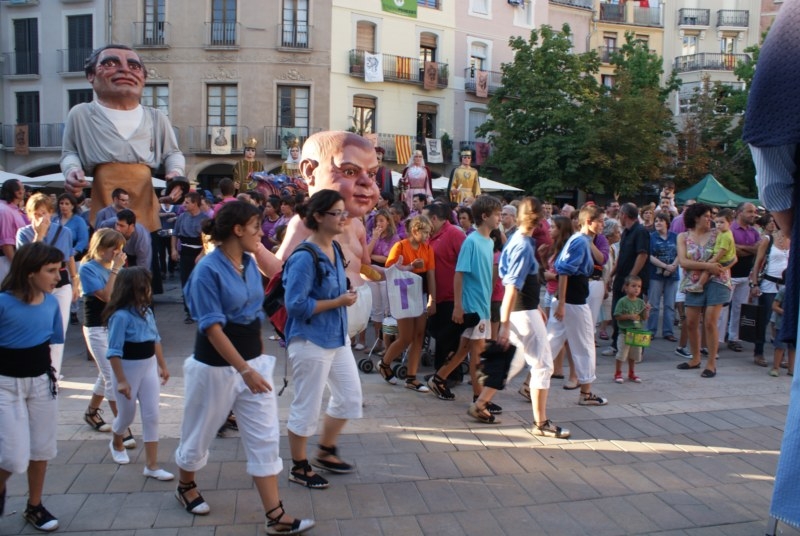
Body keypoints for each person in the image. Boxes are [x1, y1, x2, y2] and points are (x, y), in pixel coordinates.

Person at [175, 201, 314, 534]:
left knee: (265, 436)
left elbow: (257, 308)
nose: (261, 231)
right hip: (214, 366)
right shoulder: (207, 270)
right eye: (255, 226)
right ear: (237, 230)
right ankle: (185, 485)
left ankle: (276, 515)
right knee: (199, 433)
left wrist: (255, 362)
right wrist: (244, 370)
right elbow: (212, 327)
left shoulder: (250, 263)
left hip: (253, 364)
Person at [254, 131, 381, 345]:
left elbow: (364, 266)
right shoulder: (305, 225)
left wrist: (393, 272)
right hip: (322, 323)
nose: (367, 183)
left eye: (373, 174)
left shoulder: (358, 225)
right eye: (350, 171)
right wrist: (256, 248)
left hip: (347, 319)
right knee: (322, 374)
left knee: (338, 376)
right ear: (309, 171)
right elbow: (281, 272)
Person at [282, 190, 362, 490]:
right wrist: (339, 302)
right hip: (310, 340)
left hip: (336, 337)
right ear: (318, 216)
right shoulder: (304, 257)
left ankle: (325, 450)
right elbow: (296, 306)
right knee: (307, 405)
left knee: (350, 398)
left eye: (344, 212)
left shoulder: (335, 250)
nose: (344, 218)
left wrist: (347, 295)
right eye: (337, 213)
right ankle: (299, 466)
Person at [62, 44, 184, 234]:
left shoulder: (156, 117)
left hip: (145, 198)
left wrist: (176, 174)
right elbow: (70, 152)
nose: (125, 70)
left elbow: (172, 153)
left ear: (143, 78)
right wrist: (72, 170)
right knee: (107, 250)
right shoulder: (81, 114)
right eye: (111, 63)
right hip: (104, 196)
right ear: (91, 75)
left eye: (134, 66)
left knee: (143, 252)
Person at [491, 197, 570, 438]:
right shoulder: (523, 244)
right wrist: (504, 325)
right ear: (537, 218)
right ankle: (541, 422)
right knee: (542, 364)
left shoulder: (518, 239)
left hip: (524, 308)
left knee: (514, 362)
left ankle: (482, 402)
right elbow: (512, 286)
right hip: (521, 310)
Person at [0, 242, 64, 531]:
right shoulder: (3, 302)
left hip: (41, 383)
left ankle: (34, 505)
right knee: (12, 456)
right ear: (29, 272)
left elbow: (52, 343)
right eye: (50, 271)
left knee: (42, 448)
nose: (57, 277)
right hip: (5, 386)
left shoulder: (51, 303)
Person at [426, 196, 501, 412]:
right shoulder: (471, 241)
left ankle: (439, 378)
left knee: (465, 348)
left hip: (482, 305)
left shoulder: (488, 241)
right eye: (496, 214)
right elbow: (459, 274)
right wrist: (459, 306)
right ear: (485, 216)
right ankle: (480, 398)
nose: (499, 218)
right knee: (477, 351)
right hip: (473, 306)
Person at [103, 266, 172, 480]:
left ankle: (151, 465)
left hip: (148, 365)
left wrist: (162, 365)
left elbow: (156, 339)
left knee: (152, 415)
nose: (148, 290)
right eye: (144, 286)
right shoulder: (120, 316)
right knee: (126, 415)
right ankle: (117, 439)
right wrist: (121, 380)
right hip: (128, 368)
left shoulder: (146, 311)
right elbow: (113, 351)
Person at [79, 229, 136, 445]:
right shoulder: (88, 268)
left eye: (121, 248)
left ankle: (92, 412)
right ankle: (122, 427)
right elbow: (106, 295)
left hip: (113, 326)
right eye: (116, 248)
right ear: (101, 248)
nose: (119, 253)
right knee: (112, 376)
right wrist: (115, 271)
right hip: (96, 328)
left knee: (105, 374)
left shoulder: (115, 267)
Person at [548, 204, 608, 406]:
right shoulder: (581, 241)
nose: (603, 225)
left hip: (569, 299)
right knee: (585, 345)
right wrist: (563, 303)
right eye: (600, 221)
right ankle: (586, 392)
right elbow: (564, 271)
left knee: (552, 341)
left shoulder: (579, 240)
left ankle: (530, 383)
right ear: (589, 222)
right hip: (574, 300)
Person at [16, 193, 79, 377]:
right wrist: (39, 235)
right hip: (35, 288)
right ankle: (38, 369)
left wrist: (75, 281)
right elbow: (27, 262)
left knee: (58, 331)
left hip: (60, 284)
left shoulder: (64, 232)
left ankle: (53, 374)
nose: (40, 218)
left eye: (44, 213)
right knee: (37, 329)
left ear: (51, 213)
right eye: (36, 214)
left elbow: (69, 258)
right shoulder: (24, 233)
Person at [378, 215, 436, 392]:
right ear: (415, 230)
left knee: (419, 335)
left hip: (420, 291)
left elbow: (431, 275)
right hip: (403, 293)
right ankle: (385, 363)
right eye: (425, 232)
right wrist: (410, 266)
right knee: (405, 337)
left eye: (429, 232)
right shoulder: (400, 246)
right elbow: (389, 271)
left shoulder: (428, 248)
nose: (428, 236)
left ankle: (411, 377)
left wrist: (432, 299)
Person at [675, 203, 732, 378]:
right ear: (695, 217)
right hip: (693, 282)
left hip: (717, 280)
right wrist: (708, 266)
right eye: (706, 216)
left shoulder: (719, 233)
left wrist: (720, 267)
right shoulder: (683, 236)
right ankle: (695, 358)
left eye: (711, 216)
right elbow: (683, 262)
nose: (710, 219)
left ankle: (711, 364)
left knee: (709, 321)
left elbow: (733, 255)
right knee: (691, 321)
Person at [605, 203, 650, 358]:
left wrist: (631, 278)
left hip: (632, 281)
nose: (619, 218)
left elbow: (642, 255)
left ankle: (636, 348)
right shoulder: (625, 233)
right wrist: (611, 274)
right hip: (621, 278)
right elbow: (621, 256)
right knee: (618, 312)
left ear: (624, 215)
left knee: (632, 313)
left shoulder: (640, 231)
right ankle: (617, 344)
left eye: (620, 215)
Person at [720, 202, 762, 352]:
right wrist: (748, 249)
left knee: (739, 308)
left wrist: (740, 248)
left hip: (745, 275)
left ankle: (733, 338)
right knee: (723, 308)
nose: (753, 214)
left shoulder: (754, 231)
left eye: (754, 211)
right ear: (739, 212)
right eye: (750, 211)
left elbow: (758, 249)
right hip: (729, 274)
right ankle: (717, 339)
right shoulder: (729, 229)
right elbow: (730, 251)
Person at [751, 227, 790, 367]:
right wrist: (754, 284)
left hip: (787, 286)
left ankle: (782, 355)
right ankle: (758, 352)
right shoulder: (769, 239)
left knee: (784, 320)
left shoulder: (793, 238)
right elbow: (757, 263)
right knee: (764, 319)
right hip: (769, 284)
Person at [366, 208, 399, 354]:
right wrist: (374, 238)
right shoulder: (372, 236)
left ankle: (388, 344)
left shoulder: (394, 238)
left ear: (388, 222)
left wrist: (372, 256)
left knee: (388, 310)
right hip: (371, 276)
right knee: (376, 310)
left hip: (386, 277)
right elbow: (366, 255)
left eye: (381, 221)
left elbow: (388, 260)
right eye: (376, 221)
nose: (378, 223)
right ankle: (377, 342)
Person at [170, 192, 207, 324]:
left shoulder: (204, 219)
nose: (184, 205)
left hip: (198, 253)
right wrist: (174, 250)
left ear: (195, 203)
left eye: (187, 202)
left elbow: (208, 239)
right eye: (184, 202)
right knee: (186, 282)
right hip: (185, 252)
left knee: (199, 282)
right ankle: (189, 311)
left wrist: (202, 254)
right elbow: (175, 234)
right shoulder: (181, 217)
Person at [685, 208, 735, 292]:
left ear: (729, 223)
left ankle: (699, 285)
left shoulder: (725, 235)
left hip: (723, 259)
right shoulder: (722, 233)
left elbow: (723, 250)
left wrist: (712, 260)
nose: (718, 225)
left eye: (722, 222)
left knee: (707, 270)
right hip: (721, 258)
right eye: (717, 222)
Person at [647, 213, 679, 341]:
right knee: (653, 304)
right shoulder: (651, 237)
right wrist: (665, 266)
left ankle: (668, 331)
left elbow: (681, 253)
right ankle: (651, 331)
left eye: (661, 221)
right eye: (656, 221)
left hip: (673, 274)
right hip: (656, 274)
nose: (658, 223)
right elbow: (649, 256)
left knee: (670, 305)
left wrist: (673, 266)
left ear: (667, 222)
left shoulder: (675, 237)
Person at [613, 275, 650, 383]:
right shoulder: (622, 301)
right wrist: (629, 316)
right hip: (624, 332)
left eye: (639, 286)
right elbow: (617, 316)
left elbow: (644, 317)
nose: (636, 288)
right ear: (626, 287)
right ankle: (618, 372)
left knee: (634, 355)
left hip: (636, 332)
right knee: (621, 354)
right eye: (633, 286)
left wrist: (647, 310)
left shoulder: (640, 302)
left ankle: (631, 373)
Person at [0, 179, 28, 282]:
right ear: (17, 192)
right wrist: (16, 266)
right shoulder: (5, 211)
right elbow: (6, 242)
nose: (24, 191)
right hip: (7, 260)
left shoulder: (12, 209)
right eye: (23, 188)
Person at [769, 275, 794, 377]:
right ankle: (775, 367)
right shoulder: (784, 291)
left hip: (793, 325)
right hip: (782, 324)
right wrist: (785, 313)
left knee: (792, 347)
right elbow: (774, 306)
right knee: (780, 347)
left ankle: (791, 369)